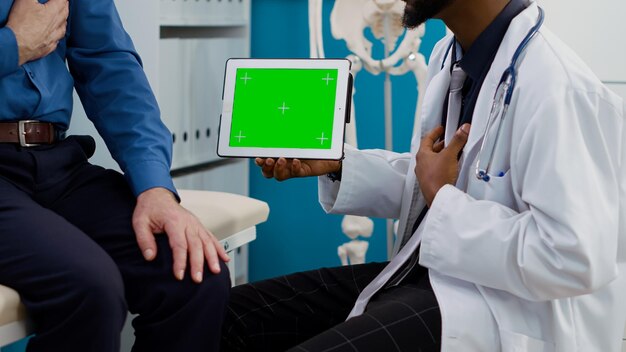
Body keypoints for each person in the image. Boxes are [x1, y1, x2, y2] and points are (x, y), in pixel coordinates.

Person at [221, 0, 626, 351]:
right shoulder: (449, 56)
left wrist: (443, 197)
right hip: (436, 277)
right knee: (227, 318)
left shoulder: (560, 87)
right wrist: (343, 165)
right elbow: (437, 181)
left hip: (506, 313)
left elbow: (573, 257)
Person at [0, 0, 230, 351]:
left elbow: (110, 66)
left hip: (54, 161)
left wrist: (154, 186)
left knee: (194, 273)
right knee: (89, 289)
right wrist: (13, 45)